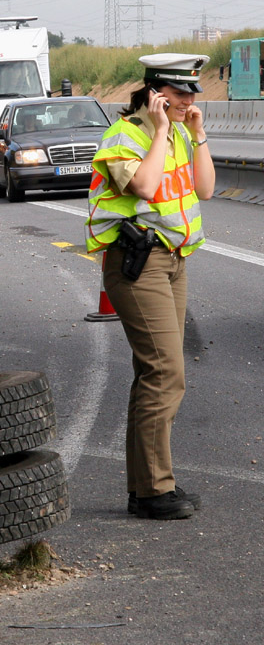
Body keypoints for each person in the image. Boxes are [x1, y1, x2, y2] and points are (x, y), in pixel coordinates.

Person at [86, 53, 215, 520]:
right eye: (181, 94)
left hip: (173, 263)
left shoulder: (182, 132)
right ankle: (154, 491)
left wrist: (195, 134)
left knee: (155, 374)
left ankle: (148, 488)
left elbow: (204, 190)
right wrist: (162, 130)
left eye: (193, 94)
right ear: (154, 94)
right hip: (137, 266)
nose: (189, 102)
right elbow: (142, 186)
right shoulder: (125, 136)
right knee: (164, 373)